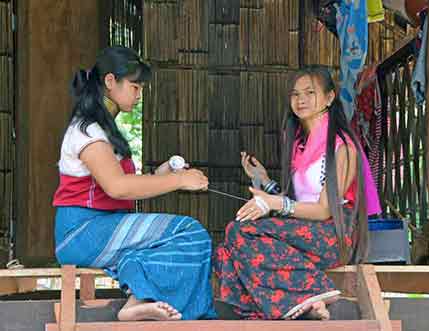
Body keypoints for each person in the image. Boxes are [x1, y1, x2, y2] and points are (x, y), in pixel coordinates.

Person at [52, 46, 217, 321]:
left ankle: (137, 301)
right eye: (135, 87)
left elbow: (124, 187)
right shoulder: (87, 130)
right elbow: (118, 187)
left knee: (179, 239)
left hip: (102, 228)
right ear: (109, 82)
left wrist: (163, 174)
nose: (139, 95)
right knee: (190, 232)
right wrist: (178, 180)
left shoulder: (104, 129)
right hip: (81, 232)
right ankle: (148, 299)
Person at [214, 65, 381, 320]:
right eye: (295, 94)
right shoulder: (300, 146)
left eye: (309, 92)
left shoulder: (341, 146)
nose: (300, 99)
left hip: (333, 235)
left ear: (329, 97)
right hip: (307, 231)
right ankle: (285, 309)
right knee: (225, 250)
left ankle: (315, 290)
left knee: (240, 231)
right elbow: (300, 202)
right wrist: (266, 183)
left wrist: (274, 203)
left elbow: (324, 209)